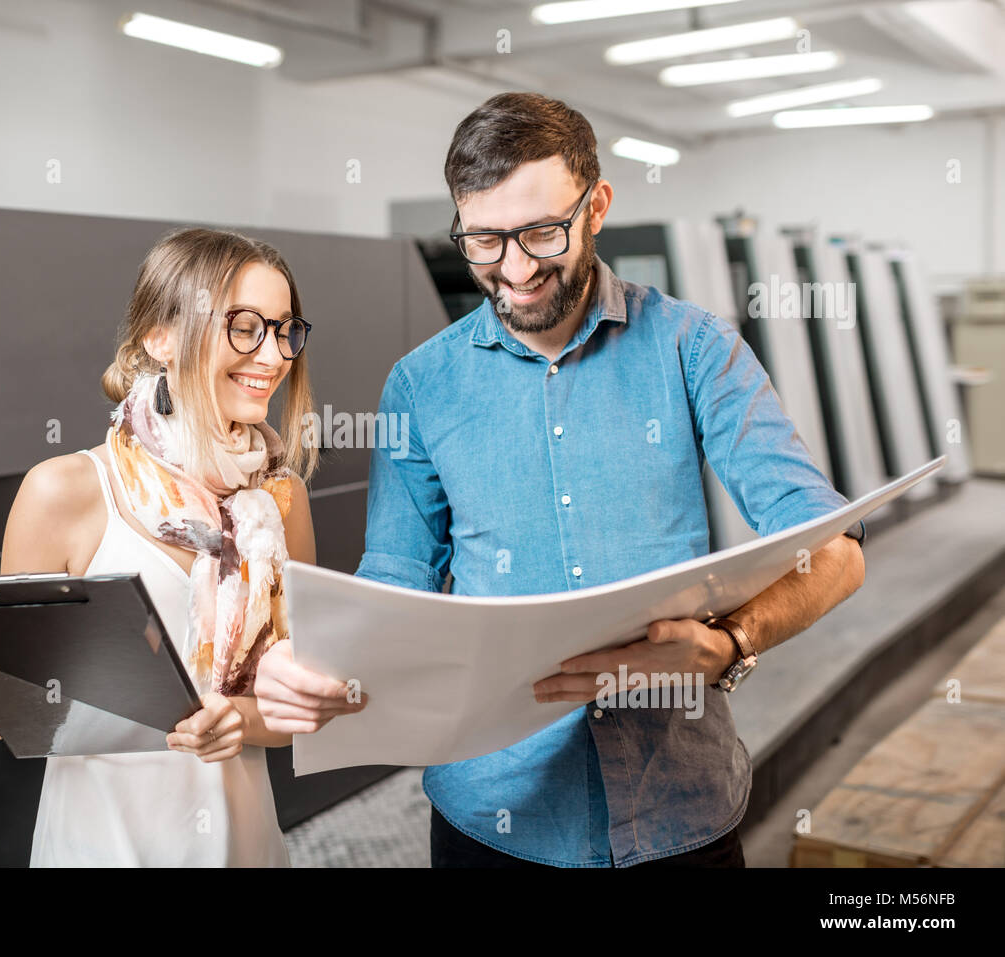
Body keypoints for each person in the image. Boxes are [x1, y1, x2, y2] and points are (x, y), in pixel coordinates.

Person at [254, 92, 866, 868]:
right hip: (493, 817)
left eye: (542, 233)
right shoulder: (421, 385)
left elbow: (835, 546)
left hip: (678, 812)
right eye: (483, 241)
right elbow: (394, 582)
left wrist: (732, 641)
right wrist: (315, 662)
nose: (514, 270)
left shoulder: (694, 348)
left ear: (597, 205)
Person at [0, 225, 364, 866]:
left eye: (284, 329)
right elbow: (14, 718)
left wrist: (240, 721)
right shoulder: (65, 492)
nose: (273, 355)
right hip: (100, 845)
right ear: (160, 337)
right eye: (243, 325)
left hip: (242, 842)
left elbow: (295, 707)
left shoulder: (281, 501)